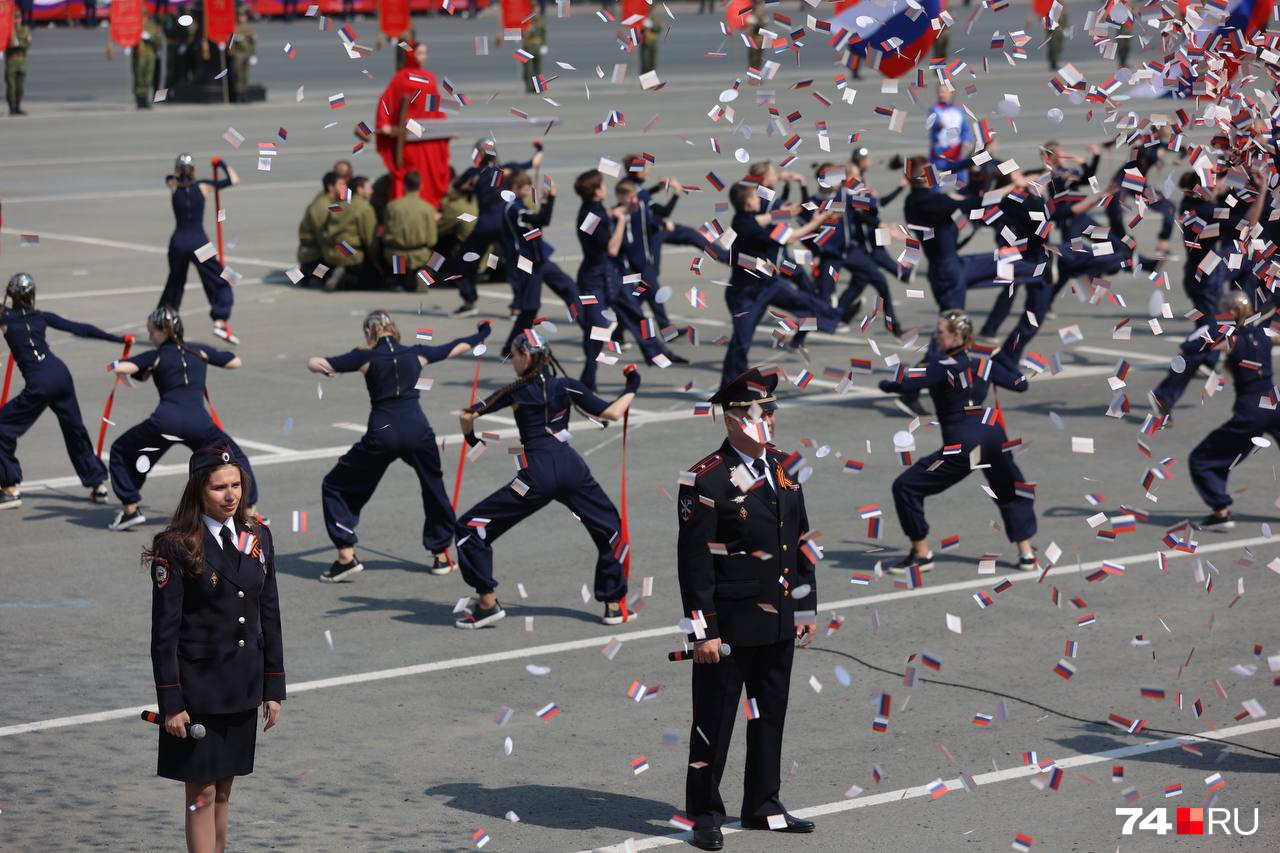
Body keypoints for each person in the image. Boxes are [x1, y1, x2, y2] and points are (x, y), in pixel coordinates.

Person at [676, 367, 817, 851]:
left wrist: (805, 607)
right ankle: (704, 813)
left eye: (773, 410)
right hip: (729, 626)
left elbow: (801, 544)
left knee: (769, 715)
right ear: (734, 419)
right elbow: (694, 565)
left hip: (778, 616)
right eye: (762, 411)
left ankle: (763, 804)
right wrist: (703, 632)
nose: (771, 419)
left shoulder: (785, 466)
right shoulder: (703, 479)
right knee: (713, 721)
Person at [147, 444, 284, 853]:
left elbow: (270, 613)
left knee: (224, 792)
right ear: (198, 492)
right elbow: (164, 635)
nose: (231, 495)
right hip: (200, 692)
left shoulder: (258, 535)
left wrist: (273, 689)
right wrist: (171, 703)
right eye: (219, 487)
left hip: (242, 686)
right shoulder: (176, 546)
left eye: (236, 485)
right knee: (201, 795)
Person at [453, 337, 640, 628]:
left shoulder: (514, 390)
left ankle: (487, 602)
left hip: (533, 478)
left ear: (526, 356)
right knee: (610, 527)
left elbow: (466, 415)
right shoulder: (566, 385)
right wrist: (632, 383)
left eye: (513, 355)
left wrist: (472, 440)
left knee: (469, 527)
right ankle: (613, 604)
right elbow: (613, 413)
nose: (512, 360)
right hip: (572, 469)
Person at [308, 313, 490, 582]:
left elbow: (314, 362)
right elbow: (459, 346)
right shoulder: (417, 353)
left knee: (335, 484)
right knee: (433, 486)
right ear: (395, 330)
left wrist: (327, 369)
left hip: (382, 433)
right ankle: (440, 554)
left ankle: (346, 556)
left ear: (370, 334)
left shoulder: (364, 357)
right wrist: (483, 332)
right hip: (418, 430)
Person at [877, 309, 1038, 573]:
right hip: (994, 436)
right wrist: (999, 355)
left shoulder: (941, 366)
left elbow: (905, 385)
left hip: (963, 445)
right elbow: (1020, 383)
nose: (936, 337)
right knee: (1010, 490)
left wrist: (885, 383)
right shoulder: (982, 362)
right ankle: (1027, 554)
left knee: (905, 487)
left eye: (940, 332)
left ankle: (922, 554)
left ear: (956, 336)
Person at [107, 307, 259, 531]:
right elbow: (235, 361)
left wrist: (122, 366)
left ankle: (130, 509)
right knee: (235, 458)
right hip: (200, 424)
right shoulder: (199, 351)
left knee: (121, 450)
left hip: (165, 424)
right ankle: (249, 512)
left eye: (151, 332)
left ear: (162, 331)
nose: (150, 337)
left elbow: (120, 367)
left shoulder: (157, 355)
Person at [0, 273, 129, 510]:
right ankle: (98, 484)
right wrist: (118, 339)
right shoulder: (41, 316)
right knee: (74, 430)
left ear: (10, 296)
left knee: (2, 428)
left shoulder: (4, 317)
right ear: (32, 295)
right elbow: (79, 328)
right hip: (60, 375)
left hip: (40, 383)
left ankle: (9, 489)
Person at [497, 170, 608, 389]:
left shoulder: (521, 206)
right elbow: (542, 220)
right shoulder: (513, 209)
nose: (529, 191)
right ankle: (512, 346)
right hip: (528, 262)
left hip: (541, 259)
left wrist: (544, 202)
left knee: (569, 288)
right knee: (530, 308)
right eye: (525, 188)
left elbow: (536, 220)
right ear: (515, 190)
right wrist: (552, 199)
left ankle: (588, 325)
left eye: (530, 188)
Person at [720, 181, 838, 384]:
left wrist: (786, 214)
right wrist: (818, 221)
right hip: (745, 295)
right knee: (741, 343)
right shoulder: (748, 227)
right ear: (748, 203)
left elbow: (762, 218)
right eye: (756, 198)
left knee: (806, 301)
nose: (760, 200)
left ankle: (833, 317)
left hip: (767, 286)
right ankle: (730, 385)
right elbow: (791, 238)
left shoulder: (744, 219)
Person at [1188, 291, 1280, 531]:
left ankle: (1221, 512)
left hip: (1251, 410)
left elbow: (1193, 347)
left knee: (1201, 460)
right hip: (1275, 402)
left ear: (1230, 313)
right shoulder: (1265, 333)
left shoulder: (1232, 340)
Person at [574, 169, 683, 367]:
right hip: (595, 280)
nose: (605, 187)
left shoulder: (590, 211)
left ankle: (658, 354)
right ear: (597, 191)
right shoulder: (593, 214)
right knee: (597, 327)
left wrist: (617, 213)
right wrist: (622, 222)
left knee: (636, 315)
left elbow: (597, 225)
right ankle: (589, 373)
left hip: (609, 276)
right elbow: (612, 249)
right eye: (602, 185)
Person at [445, 140, 542, 316]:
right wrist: (539, 150)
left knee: (464, 260)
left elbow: (454, 191)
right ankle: (517, 306)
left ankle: (468, 301)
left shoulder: (474, 172)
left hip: (486, 224)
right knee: (515, 263)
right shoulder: (509, 169)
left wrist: (469, 188)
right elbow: (533, 162)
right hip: (507, 223)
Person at [161, 154, 241, 345]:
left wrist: (179, 171)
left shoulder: (172, 184)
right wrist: (222, 163)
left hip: (178, 243)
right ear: (194, 170)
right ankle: (220, 320)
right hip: (199, 243)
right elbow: (234, 180)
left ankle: (163, 324)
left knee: (175, 284)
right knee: (219, 278)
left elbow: (171, 176)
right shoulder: (204, 186)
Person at [375, 41, 451, 205]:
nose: (423, 57)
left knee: (430, 173)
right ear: (411, 54)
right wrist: (384, 123)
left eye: (425, 53)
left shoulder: (429, 77)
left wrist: (444, 128)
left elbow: (435, 105)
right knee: (410, 172)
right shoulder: (401, 78)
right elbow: (386, 100)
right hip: (410, 137)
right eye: (419, 53)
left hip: (428, 134)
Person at [319, 173, 379, 292]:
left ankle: (331, 273)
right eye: (369, 188)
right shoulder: (364, 208)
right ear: (360, 189)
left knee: (321, 269)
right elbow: (369, 238)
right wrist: (375, 260)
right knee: (376, 280)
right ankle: (343, 278)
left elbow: (324, 230)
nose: (371, 191)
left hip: (333, 250)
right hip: (351, 253)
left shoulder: (337, 205)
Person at [382, 171, 440, 292]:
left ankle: (397, 280)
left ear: (404, 186)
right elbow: (432, 240)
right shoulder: (428, 208)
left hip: (397, 254)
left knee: (392, 257)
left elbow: (386, 231)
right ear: (421, 186)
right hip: (420, 254)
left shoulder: (392, 206)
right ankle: (426, 275)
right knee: (438, 257)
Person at [297, 172, 342, 278]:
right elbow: (323, 236)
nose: (344, 188)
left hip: (318, 249)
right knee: (331, 274)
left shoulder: (331, 201)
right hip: (313, 252)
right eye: (341, 185)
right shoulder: (322, 206)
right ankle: (305, 271)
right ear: (331, 187)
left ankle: (306, 272)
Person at [927, 85, 973, 176]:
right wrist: (938, 124)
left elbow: (964, 129)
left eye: (944, 92)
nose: (941, 94)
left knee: (961, 181)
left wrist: (967, 140)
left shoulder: (958, 110)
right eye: (939, 92)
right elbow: (931, 124)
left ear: (952, 93)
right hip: (939, 154)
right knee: (935, 182)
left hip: (955, 154)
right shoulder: (934, 109)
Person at [133, 16, 163, 109]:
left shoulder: (152, 26)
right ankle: (139, 99)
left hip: (150, 54)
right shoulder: (135, 26)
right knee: (139, 77)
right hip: (139, 54)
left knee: (148, 77)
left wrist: (150, 37)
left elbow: (159, 42)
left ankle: (146, 99)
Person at [5, 7, 30, 116]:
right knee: (11, 86)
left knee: (20, 87)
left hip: (22, 62)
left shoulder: (24, 29)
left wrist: (19, 44)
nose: (17, 20)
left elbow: (27, 44)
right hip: (11, 61)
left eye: (18, 18)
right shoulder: (7, 30)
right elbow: (5, 45)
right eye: (15, 18)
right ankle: (12, 107)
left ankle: (18, 106)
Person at [228, 8, 256, 104]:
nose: (242, 18)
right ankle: (238, 95)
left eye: (244, 17)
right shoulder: (235, 27)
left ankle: (244, 94)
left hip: (247, 53)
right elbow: (230, 43)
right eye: (241, 17)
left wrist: (253, 55)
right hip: (239, 54)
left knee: (245, 74)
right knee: (238, 74)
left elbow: (253, 42)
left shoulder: (249, 28)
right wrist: (234, 42)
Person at [522, 12, 546, 93]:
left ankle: (539, 88)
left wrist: (544, 45)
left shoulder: (539, 20)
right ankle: (529, 87)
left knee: (537, 69)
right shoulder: (524, 19)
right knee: (527, 70)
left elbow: (543, 33)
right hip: (526, 47)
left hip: (536, 47)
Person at [639, 10, 660, 76]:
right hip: (645, 43)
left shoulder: (655, 18)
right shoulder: (642, 18)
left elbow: (658, 29)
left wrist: (652, 26)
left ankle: (651, 82)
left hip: (653, 42)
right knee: (646, 63)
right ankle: (645, 82)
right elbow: (638, 29)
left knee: (652, 64)